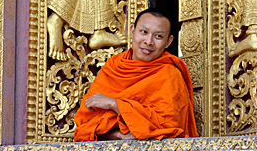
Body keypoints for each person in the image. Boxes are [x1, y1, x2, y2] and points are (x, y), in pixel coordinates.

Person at [74, 9, 198, 141]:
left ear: (168, 41)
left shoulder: (170, 75)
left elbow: (170, 127)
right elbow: (84, 125)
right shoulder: (113, 67)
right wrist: (119, 135)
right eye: (144, 32)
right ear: (132, 31)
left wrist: (115, 105)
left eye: (158, 36)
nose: (149, 41)